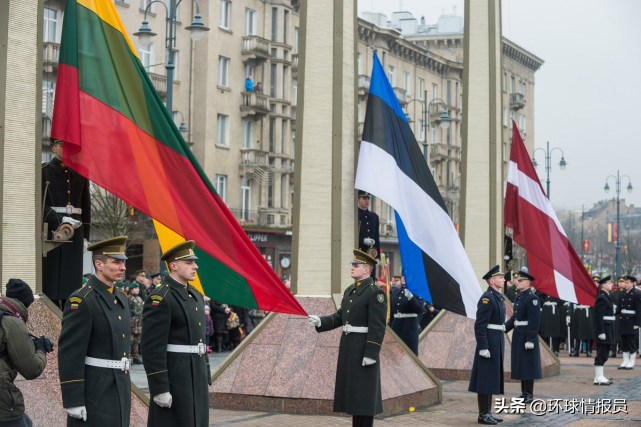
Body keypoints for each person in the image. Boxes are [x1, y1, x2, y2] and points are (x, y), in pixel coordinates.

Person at [308, 250, 386, 427]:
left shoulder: (375, 293)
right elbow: (341, 316)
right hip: (349, 348)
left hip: (363, 349)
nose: (352, 267)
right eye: (352, 264)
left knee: (365, 397)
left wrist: (371, 353)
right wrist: (321, 321)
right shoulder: (351, 290)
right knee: (354, 397)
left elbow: (378, 327)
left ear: (367, 270)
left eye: (356, 265)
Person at [58, 236, 131, 426]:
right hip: (96, 390)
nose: (122, 267)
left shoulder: (121, 298)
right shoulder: (83, 300)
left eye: (123, 262)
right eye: (116, 262)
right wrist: (73, 400)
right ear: (99, 264)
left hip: (119, 385)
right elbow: (70, 353)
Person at [141, 240, 211, 427]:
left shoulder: (195, 294)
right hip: (175, 375)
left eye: (194, 262)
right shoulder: (160, 298)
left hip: (196, 372)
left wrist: (206, 371)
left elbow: (199, 339)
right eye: (188, 263)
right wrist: (159, 388)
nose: (195, 266)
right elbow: (151, 348)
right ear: (173, 265)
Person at [42, 138, 91, 307]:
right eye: (62, 146)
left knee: (72, 283)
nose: (66, 149)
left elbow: (86, 207)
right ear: (54, 148)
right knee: (51, 281)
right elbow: (40, 205)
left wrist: (86, 237)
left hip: (75, 232)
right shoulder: (44, 172)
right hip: (53, 231)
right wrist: (59, 219)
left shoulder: (81, 172)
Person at [0, 279, 51, 427]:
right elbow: (31, 369)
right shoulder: (13, 323)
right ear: (25, 304)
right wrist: (41, 349)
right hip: (3, 402)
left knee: (27, 421)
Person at [468, 265, 506, 426]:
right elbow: (480, 325)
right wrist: (483, 346)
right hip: (489, 341)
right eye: (500, 277)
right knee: (485, 379)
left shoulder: (497, 297)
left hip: (496, 339)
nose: (503, 279)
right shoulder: (487, 298)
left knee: (491, 378)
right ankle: (483, 414)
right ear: (492, 281)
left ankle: (488, 412)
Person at [505, 270, 541, 405]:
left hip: (527, 334)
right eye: (517, 280)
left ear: (527, 283)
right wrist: (505, 327)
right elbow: (515, 318)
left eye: (519, 281)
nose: (516, 282)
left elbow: (534, 320)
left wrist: (531, 339)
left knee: (528, 365)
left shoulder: (532, 298)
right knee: (521, 364)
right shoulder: (519, 297)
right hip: (519, 334)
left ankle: (529, 394)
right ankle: (523, 392)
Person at [389, 276, 422, 355]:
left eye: (406, 275)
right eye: (402, 276)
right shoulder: (395, 293)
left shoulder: (417, 292)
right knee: (395, 355)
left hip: (409, 329)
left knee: (410, 355)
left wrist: (411, 297)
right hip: (396, 327)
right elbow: (392, 314)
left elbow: (419, 309)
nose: (404, 277)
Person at [594, 276, 615, 385]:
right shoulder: (601, 297)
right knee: (602, 353)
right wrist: (601, 332)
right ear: (604, 285)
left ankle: (598, 377)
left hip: (608, 328)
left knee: (605, 352)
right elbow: (598, 317)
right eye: (609, 283)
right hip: (604, 330)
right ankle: (599, 377)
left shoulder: (607, 296)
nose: (611, 284)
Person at [617, 275, 641, 370]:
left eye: (627, 283)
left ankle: (632, 361)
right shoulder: (622, 294)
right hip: (623, 321)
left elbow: (639, 310)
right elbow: (619, 308)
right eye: (625, 282)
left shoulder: (636, 294)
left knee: (631, 342)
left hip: (631, 321)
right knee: (624, 342)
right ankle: (625, 360)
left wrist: (637, 323)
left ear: (632, 283)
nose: (625, 284)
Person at [357, 191, 380, 276]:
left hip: (371, 254)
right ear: (358, 199)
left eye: (368, 198)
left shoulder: (374, 217)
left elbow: (377, 237)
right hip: (360, 253)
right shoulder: (355, 215)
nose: (367, 201)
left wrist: (377, 256)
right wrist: (363, 240)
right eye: (364, 198)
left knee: (370, 277)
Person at [128, 282, 144, 365]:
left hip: (139, 323)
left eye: (138, 288)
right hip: (132, 322)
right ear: (131, 290)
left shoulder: (139, 299)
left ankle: (136, 356)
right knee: (130, 340)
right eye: (135, 288)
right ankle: (128, 356)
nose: (138, 290)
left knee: (137, 341)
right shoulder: (129, 298)